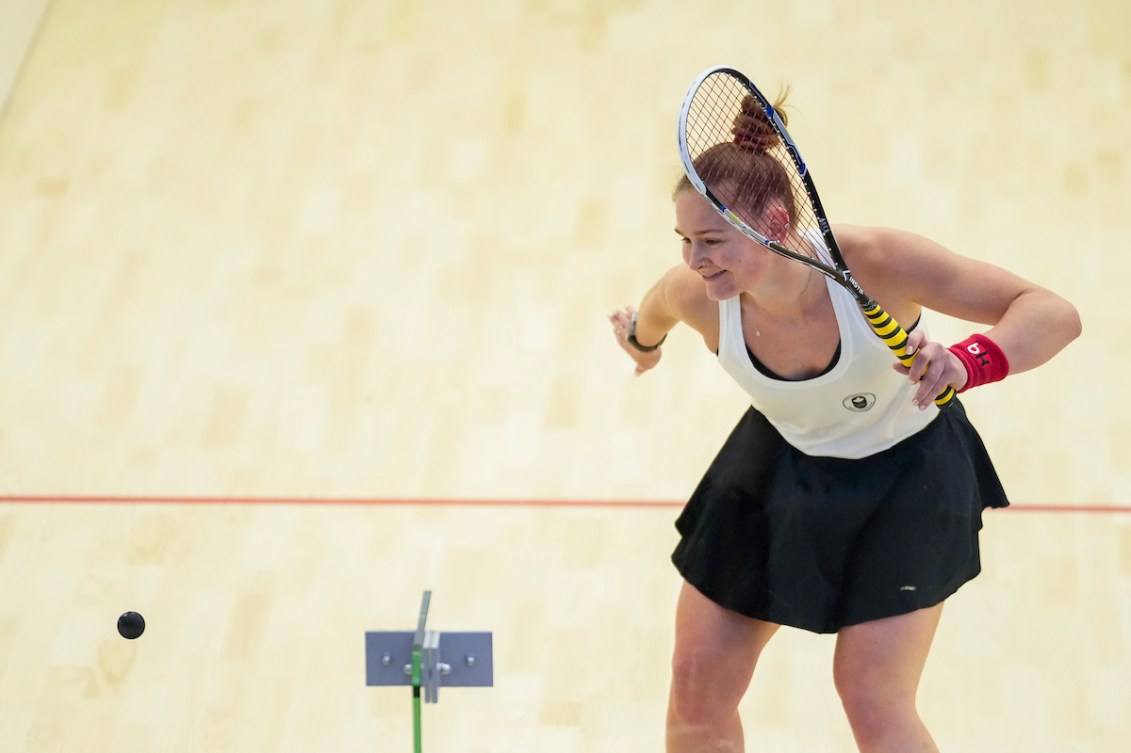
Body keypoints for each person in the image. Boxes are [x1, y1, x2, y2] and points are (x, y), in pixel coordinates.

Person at [608, 91, 1081, 753]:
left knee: (871, 698)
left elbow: (1051, 312)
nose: (693, 258)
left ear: (774, 223)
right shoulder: (696, 293)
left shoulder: (876, 264)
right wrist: (640, 343)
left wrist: (967, 361)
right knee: (695, 685)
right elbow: (650, 315)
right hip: (777, 466)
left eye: (710, 240)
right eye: (684, 240)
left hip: (907, 478)